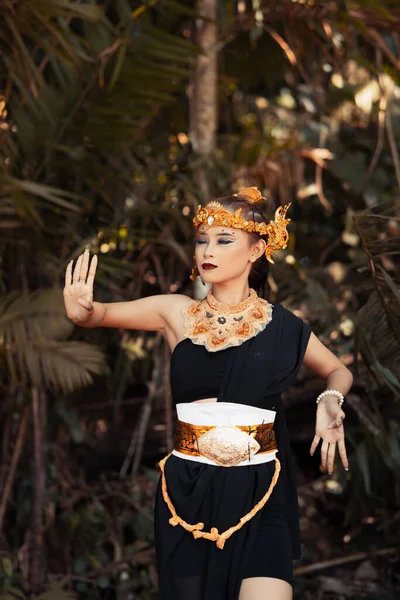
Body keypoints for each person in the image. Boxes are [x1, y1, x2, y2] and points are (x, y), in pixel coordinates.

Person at [63, 187, 353, 600]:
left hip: (261, 491)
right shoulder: (176, 312)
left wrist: (330, 399)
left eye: (223, 239)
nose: (206, 250)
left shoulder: (283, 326)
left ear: (256, 251)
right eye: (202, 240)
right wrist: (83, 312)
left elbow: (338, 370)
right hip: (189, 492)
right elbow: (102, 314)